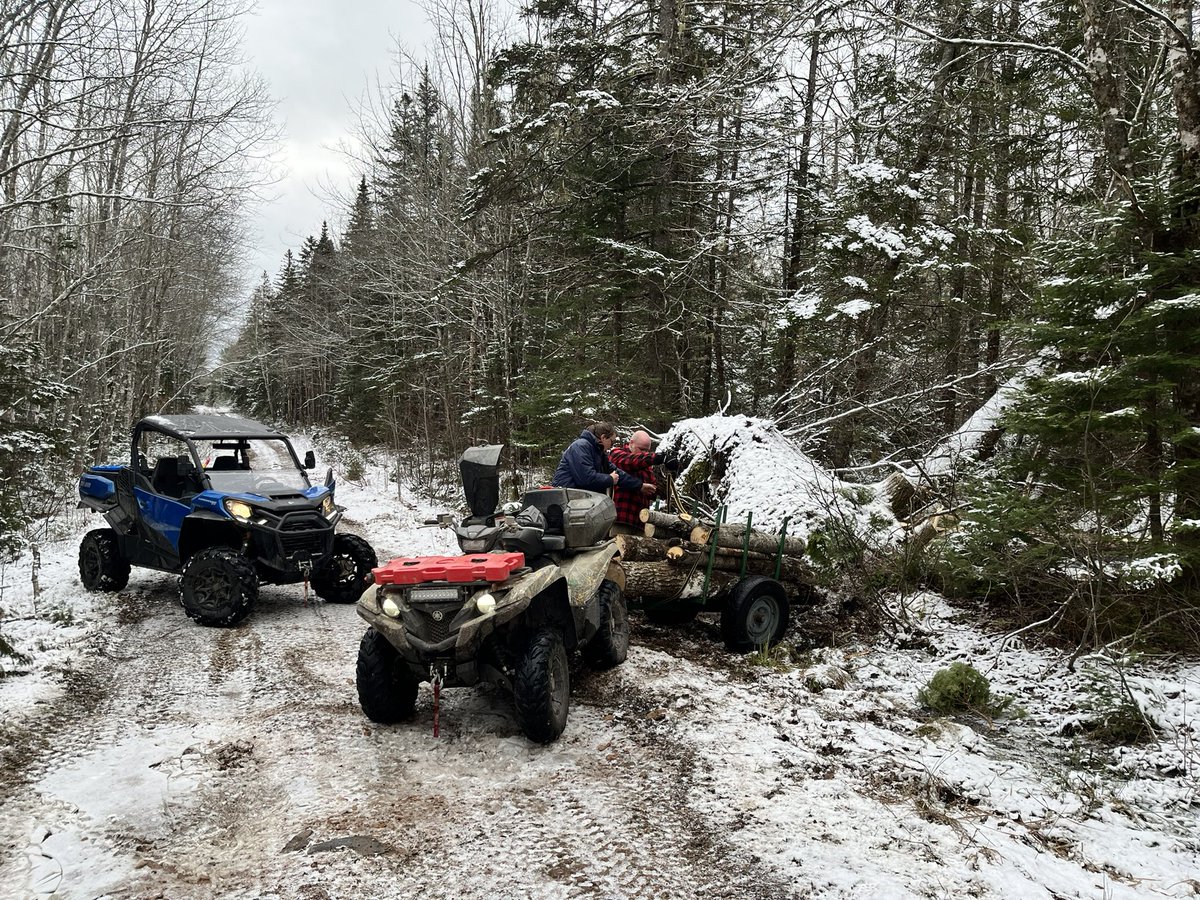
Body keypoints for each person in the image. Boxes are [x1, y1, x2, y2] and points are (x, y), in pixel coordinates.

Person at [551, 422, 652, 500]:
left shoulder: (598, 452)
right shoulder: (581, 446)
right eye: (611, 441)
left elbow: (616, 473)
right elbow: (585, 479)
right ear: (603, 437)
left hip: (576, 498)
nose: (612, 445)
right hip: (566, 498)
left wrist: (639, 485)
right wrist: (610, 479)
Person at [609, 430, 678, 530]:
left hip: (640, 521)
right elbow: (632, 461)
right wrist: (659, 458)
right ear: (631, 443)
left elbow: (652, 491)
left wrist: (663, 487)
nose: (644, 453)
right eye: (641, 449)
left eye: (647, 450)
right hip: (621, 518)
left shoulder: (646, 466)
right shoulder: (617, 454)